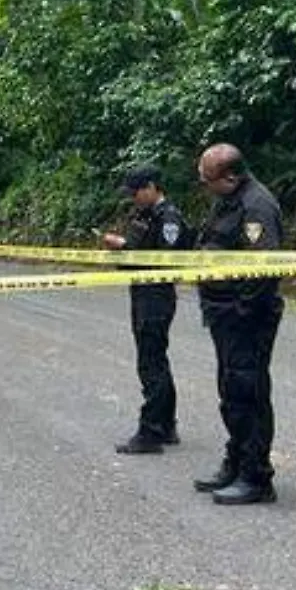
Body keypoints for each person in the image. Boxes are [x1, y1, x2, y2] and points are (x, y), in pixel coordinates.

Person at [191, 144, 285, 505]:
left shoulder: (256, 206)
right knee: (231, 392)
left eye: (207, 179)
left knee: (249, 392)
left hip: (246, 317)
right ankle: (236, 461)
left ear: (230, 175)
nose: (204, 186)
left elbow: (263, 269)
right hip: (223, 313)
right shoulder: (227, 200)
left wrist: (242, 311)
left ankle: (256, 476)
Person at [101, 164, 191, 455]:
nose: (133, 198)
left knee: (150, 362)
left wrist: (125, 246)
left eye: (137, 192)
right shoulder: (144, 215)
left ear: (152, 187)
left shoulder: (169, 219)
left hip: (156, 295)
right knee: (155, 359)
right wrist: (123, 247)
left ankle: (151, 432)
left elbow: (166, 259)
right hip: (141, 292)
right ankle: (165, 424)